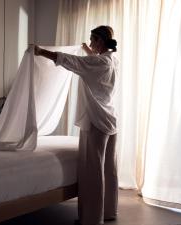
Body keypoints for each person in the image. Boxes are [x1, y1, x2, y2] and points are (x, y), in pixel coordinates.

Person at [33, 25, 118, 225]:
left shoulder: (97, 62)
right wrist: (88, 50)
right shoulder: (113, 59)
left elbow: (72, 61)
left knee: (93, 171)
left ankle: (92, 218)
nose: (90, 44)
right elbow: (92, 61)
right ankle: (108, 212)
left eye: (92, 40)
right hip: (110, 120)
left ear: (100, 41)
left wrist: (40, 51)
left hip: (96, 121)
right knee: (108, 169)